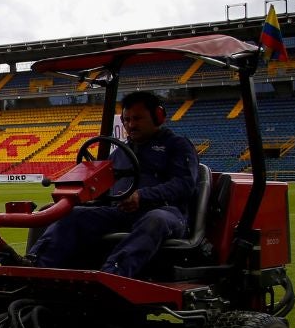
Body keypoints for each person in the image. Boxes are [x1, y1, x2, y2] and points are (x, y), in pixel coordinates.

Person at [24, 90, 199, 278]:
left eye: (137, 118)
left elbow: (184, 184)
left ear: (158, 116)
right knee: (72, 215)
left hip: (167, 214)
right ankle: (34, 266)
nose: (131, 125)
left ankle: (111, 275)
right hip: (121, 213)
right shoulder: (120, 153)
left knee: (155, 219)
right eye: (127, 120)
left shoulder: (177, 145)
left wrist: (142, 196)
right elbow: (104, 188)